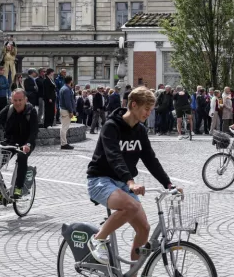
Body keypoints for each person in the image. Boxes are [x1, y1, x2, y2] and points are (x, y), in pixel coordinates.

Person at [85, 87, 177, 264]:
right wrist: (130, 181)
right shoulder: (110, 126)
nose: (148, 113)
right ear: (133, 105)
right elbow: (114, 157)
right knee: (132, 206)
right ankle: (97, 239)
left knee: (144, 228)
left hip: (123, 183)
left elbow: (150, 160)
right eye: (146, 109)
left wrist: (169, 184)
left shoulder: (140, 131)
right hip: (100, 180)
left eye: (150, 110)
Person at [58, 76, 76, 149]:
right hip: (66, 110)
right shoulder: (67, 89)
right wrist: (71, 111)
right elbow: (68, 102)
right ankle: (64, 144)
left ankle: (64, 143)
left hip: (63, 109)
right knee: (64, 128)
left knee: (63, 127)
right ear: (71, 81)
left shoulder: (63, 88)